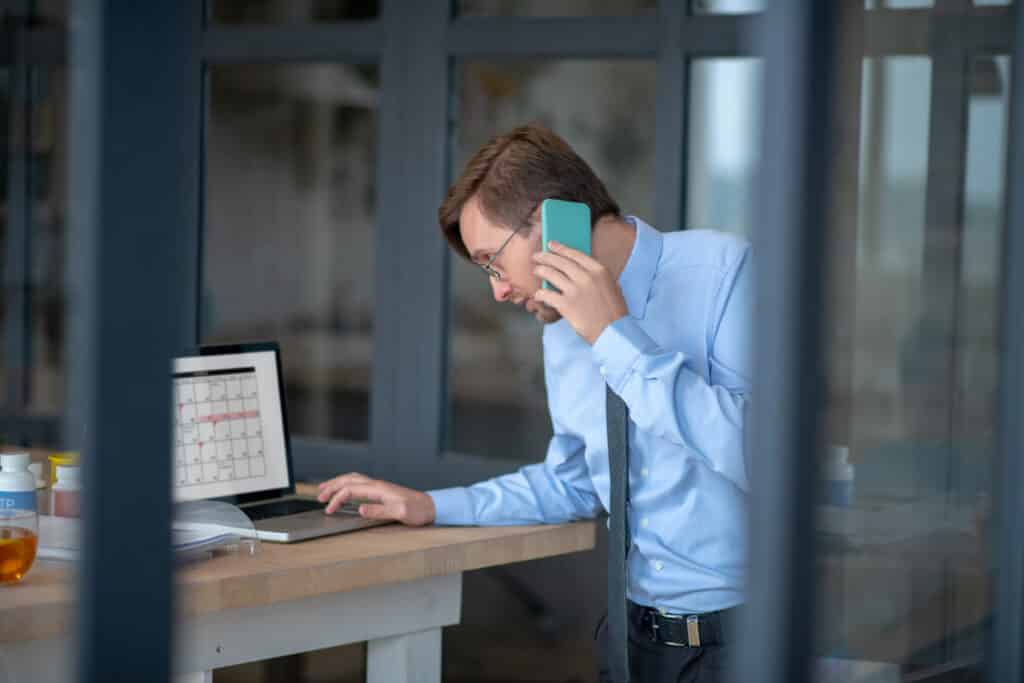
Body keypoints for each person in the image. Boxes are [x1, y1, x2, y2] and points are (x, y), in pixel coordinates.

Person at [317, 123, 751, 683]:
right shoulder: (561, 331)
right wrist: (430, 505)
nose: (496, 290)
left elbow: (764, 454)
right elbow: (570, 483)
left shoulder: (725, 274)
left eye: (492, 261)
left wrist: (615, 336)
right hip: (630, 645)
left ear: (551, 225)